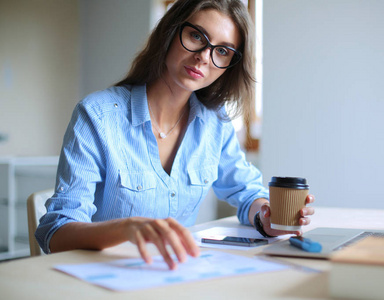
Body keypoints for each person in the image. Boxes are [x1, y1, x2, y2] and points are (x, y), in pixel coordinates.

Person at [35, 0, 315, 270]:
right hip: (103, 280)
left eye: (223, 51)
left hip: (176, 276)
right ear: (170, 31)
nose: (204, 57)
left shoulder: (215, 123)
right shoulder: (98, 115)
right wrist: (127, 228)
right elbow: (56, 234)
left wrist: (266, 216)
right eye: (196, 36)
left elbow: (246, 191)